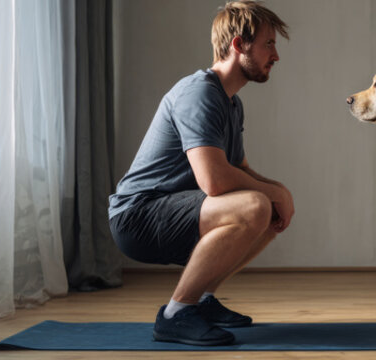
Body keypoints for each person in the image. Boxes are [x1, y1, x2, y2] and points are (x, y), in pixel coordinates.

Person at [108, 1, 293, 346]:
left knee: (267, 209)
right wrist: (271, 194)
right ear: (239, 45)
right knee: (255, 205)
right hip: (138, 215)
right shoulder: (200, 93)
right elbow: (214, 181)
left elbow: (239, 170)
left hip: (172, 208)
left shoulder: (231, 103)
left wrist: (280, 191)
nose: (276, 55)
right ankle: (176, 314)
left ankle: (202, 300)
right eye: (269, 43)